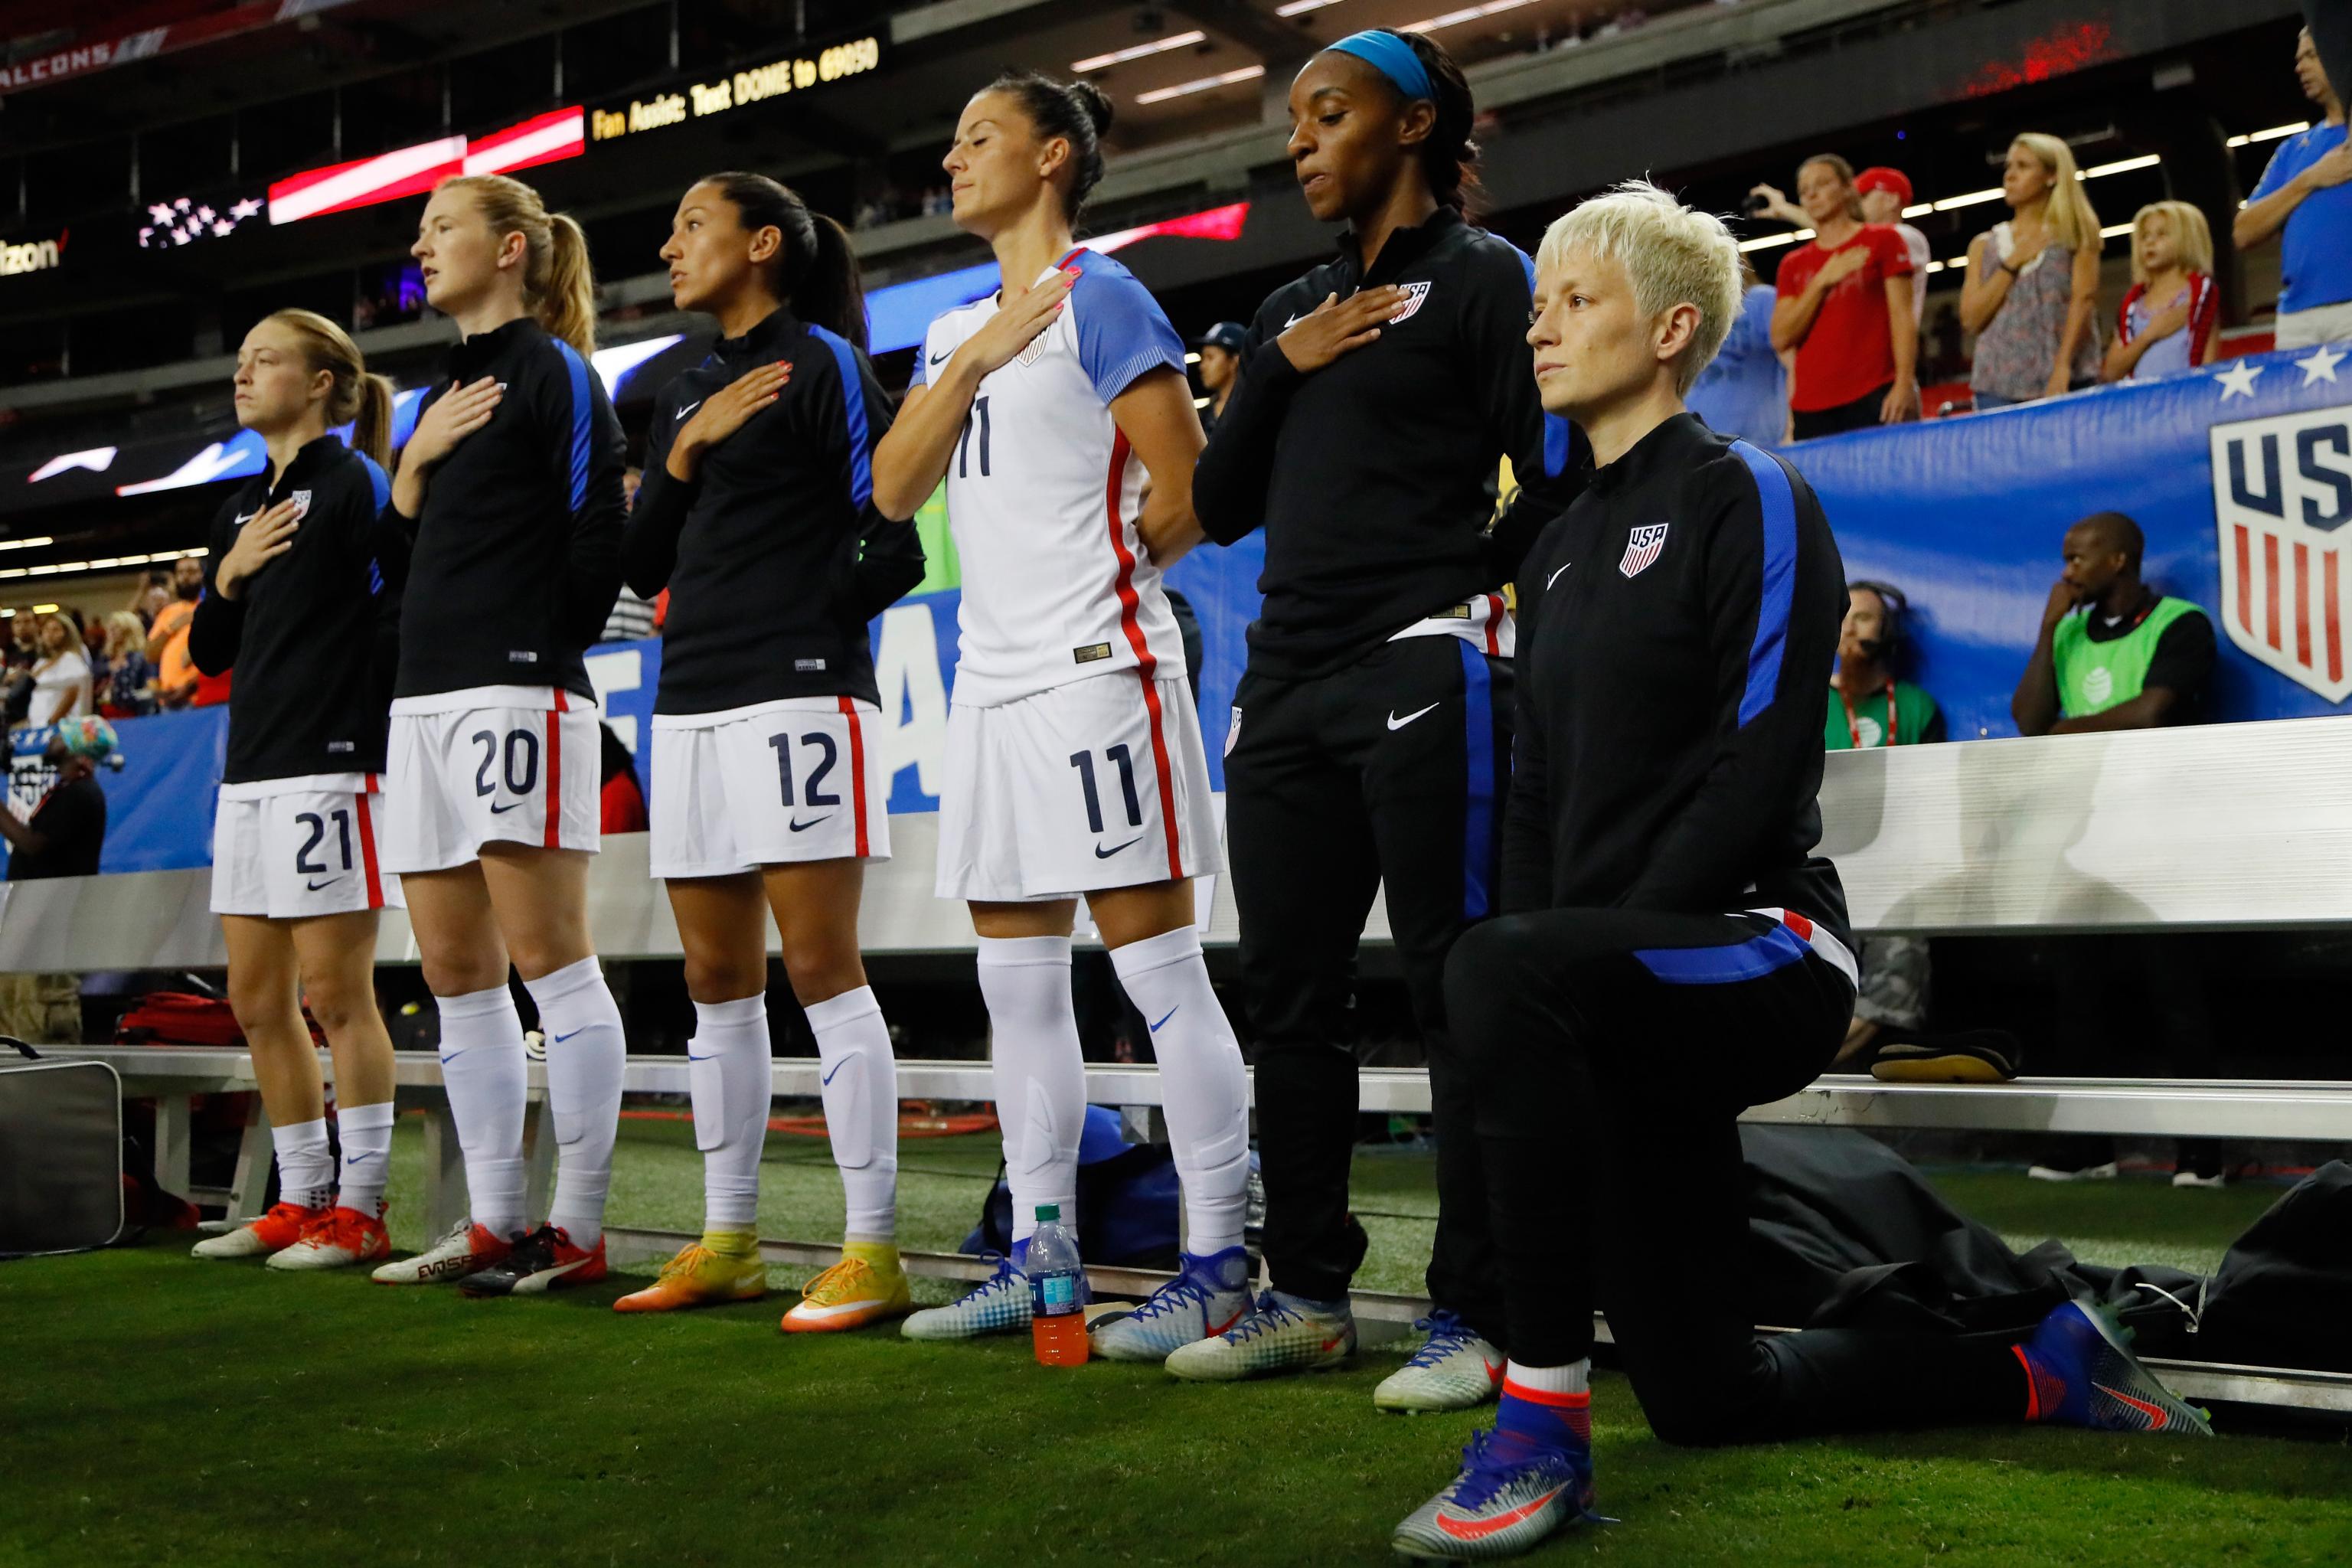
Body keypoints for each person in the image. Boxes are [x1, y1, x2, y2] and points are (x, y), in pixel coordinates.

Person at [1390, 181, 2210, 1562]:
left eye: (1573, 300)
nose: (1541, 327)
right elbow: (1533, 788)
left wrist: (1559, 961)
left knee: (1490, 963)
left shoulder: (1747, 490)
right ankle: (2037, 1362)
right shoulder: (1555, 541)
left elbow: (1765, 763)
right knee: (1712, 1392)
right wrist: (1557, 956)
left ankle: (1536, 1421)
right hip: (1609, 978)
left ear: (1672, 329)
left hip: (1757, 946)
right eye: (1538, 303)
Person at [1161, 28, 1586, 1405]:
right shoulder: (1291, 304)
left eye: (1326, 112)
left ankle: (1475, 1309)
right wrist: (1277, 362)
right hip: (1281, 681)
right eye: (1294, 117)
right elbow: (1213, 506)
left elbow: (1556, 476)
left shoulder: (1484, 278)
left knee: (1458, 990)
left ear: (1408, 128)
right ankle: (1310, 1295)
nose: (1298, 139)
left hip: (1418, 663)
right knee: (1288, 998)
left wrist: (1458, 590)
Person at [870, 68, 1253, 1364]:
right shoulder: (950, 332)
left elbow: (1194, 486)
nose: (952, 156)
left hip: (1097, 673)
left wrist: (1117, 578)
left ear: (1049, 158)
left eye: (978, 135)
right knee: (1014, 983)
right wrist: (977, 352)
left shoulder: (1108, 295)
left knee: (1159, 974)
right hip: (988, 684)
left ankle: (1216, 1261)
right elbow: (890, 487)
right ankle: (1043, 1259)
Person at [615, 171, 925, 1330]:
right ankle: (730, 1240)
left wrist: (807, 622)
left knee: (820, 968)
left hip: (799, 697)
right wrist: (686, 452)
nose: (670, 243)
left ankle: (876, 1249)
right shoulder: (681, 388)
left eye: (691, 224)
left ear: (761, 245)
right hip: (690, 701)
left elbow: (891, 540)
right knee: (712, 981)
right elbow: (642, 565)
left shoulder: (830, 364)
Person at [364, 172, 630, 1298]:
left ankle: (575, 1227)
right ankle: (495, 1221)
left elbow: (597, 528)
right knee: (455, 973)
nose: (422, 248)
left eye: (442, 229)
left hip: (517, 692)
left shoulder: (556, 372)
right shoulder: (435, 397)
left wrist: (535, 650)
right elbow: (390, 568)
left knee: (549, 960)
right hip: (422, 701)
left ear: (512, 249)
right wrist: (414, 470)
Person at [185, 309, 409, 1271]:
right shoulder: (237, 506)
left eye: (265, 359)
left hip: (329, 761)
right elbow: (206, 651)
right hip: (251, 773)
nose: (244, 373)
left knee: (336, 992)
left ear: (322, 382)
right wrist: (227, 578)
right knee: (255, 994)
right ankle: (301, 1195)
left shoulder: (355, 482)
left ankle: (360, 1206)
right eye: (239, 359)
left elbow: (392, 613)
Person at [2008, 511, 2220, 1184]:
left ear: (2120, 560)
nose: (2066, 570)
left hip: (2166, 834)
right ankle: (2086, 1148)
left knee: (2177, 993)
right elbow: (2026, 720)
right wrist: (2046, 630)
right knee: (2076, 994)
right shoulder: (2068, 631)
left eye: (2078, 558)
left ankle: (2201, 1154)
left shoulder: (2180, 623)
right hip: (2085, 837)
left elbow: (2151, 711)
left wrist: (2066, 731)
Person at [1756, 154, 1917, 436]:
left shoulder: (1883, 241)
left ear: (1847, 188)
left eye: (1822, 184)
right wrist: (1822, 281)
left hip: (1875, 393)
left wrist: (1904, 383)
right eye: (1804, 190)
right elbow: (1781, 337)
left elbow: (1903, 316)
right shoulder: (1793, 264)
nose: (1812, 194)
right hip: (1811, 407)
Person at [1960, 133, 2102, 410]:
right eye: (2008, 167)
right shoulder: (1983, 246)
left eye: (2023, 167)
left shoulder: (2077, 234)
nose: (2010, 176)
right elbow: (1971, 319)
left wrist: (2062, 367)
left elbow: (2083, 300)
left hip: (2067, 381)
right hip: (1998, 387)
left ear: (2051, 176)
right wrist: (2012, 262)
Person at [2233, 27, 2352, 349]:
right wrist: (2311, 178)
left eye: (2311, 56)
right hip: (2296, 318)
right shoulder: (2292, 150)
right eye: (2299, 59)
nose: (2300, 67)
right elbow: (2243, 231)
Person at [2105, 202, 2221, 382]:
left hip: (2185, 401)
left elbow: (2208, 364)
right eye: (2144, 236)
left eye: (2162, 234)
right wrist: (2150, 334)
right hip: (2142, 404)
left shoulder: (2200, 297)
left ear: (2188, 238)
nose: (2150, 242)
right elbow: (2110, 373)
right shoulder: (2132, 307)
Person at [1685, 258, 1785, 445]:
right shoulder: (1685, 314)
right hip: (1698, 442)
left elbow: (1791, 362)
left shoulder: (1761, 300)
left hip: (1759, 443)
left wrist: (1790, 428)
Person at [1856, 165, 1930, 326]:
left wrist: (1788, 210)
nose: (1856, 205)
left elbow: (1840, 235)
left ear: (1891, 200)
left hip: (1891, 345)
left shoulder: (1906, 236)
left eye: (1864, 197)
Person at [148, 557, 206, 710]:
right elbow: (151, 655)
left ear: (203, 575)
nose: (185, 576)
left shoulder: (208, 609)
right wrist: (170, 629)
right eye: (180, 572)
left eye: (191, 571)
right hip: (168, 700)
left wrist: (192, 685)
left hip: (198, 697)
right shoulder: (168, 612)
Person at [25, 613, 91, 729]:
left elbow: (71, 692)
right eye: (46, 630)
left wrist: (52, 722)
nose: (50, 634)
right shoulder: (40, 663)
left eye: (56, 630)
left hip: (62, 727)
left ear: (66, 633)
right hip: (37, 726)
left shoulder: (70, 659)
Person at [96, 612, 156, 720]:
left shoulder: (140, 657)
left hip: (132, 712)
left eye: (117, 628)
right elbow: (93, 672)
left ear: (128, 630)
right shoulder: (106, 656)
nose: (112, 631)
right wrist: (109, 667)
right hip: (106, 710)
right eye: (110, 628)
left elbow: (148, 686)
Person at [1192, 321, 1245, 434]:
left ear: (1234, 361)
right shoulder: (1202, 417)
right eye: (1203, 358)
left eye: (1210, 357)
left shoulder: (1257, 408)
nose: (1202, 366)